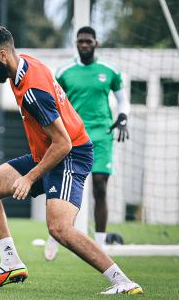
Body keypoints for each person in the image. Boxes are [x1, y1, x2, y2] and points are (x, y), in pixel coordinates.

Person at [0, 26, 142, 294]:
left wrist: (30, 177)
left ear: (3, 55)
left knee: (59, 228)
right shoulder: (24, 62)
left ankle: (123, 282)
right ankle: (11, 263)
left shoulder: (33, 93)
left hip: (70, 154)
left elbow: (64, 143)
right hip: (47, 152)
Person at [45, 26, 130, 261]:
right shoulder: (64, 72)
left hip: (102, 134)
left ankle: (101, 243)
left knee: (100, 186)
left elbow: (123, 100)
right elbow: (53, 101)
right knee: (65, 185)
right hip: (71, 135)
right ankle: (55, 234)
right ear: (76, 43)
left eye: (88, 41)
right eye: (80, 41)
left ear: (96, 43)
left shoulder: (109, 71)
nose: (84, 45)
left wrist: (123, 117)